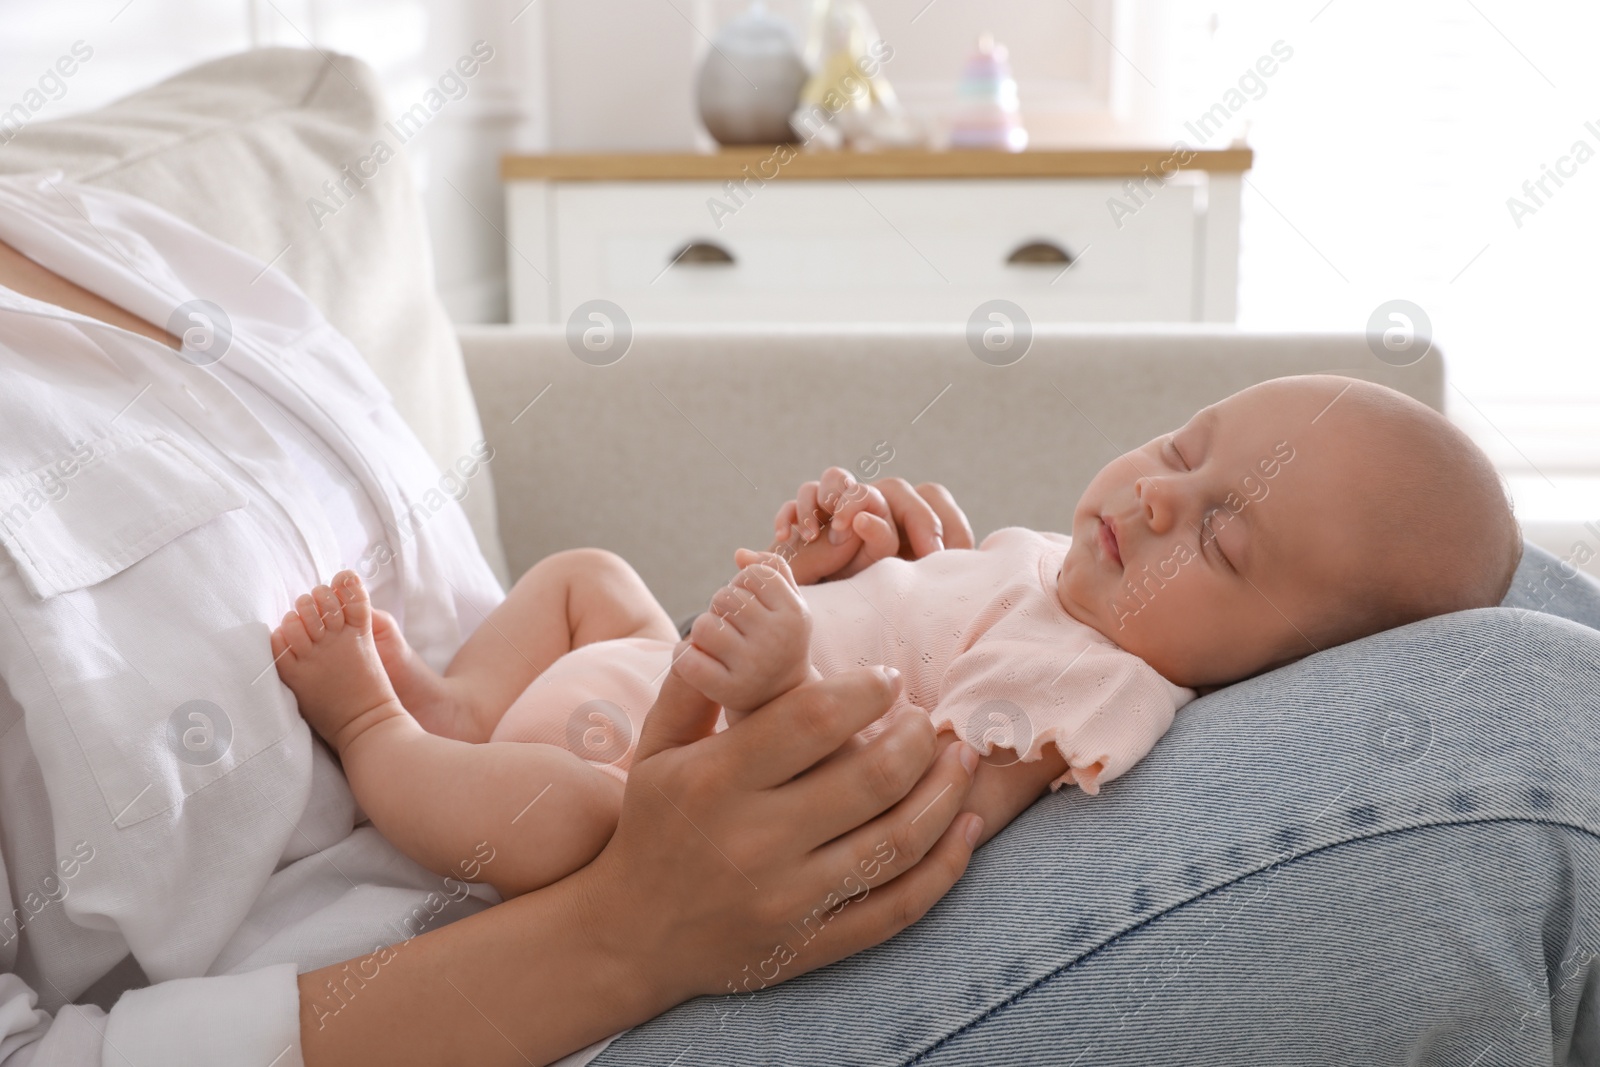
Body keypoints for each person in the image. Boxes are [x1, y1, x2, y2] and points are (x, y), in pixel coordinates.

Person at [0, 173, 981, 1067]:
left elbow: (524, 639)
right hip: (543, 972)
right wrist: (625, 933)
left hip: (595, 764)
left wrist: (867, 615)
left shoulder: (109, 228)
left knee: (1091, 662)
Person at [266, 375, 1521, 903]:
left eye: (1223, 540)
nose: (1154, 496)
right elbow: (908, 632)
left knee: (558, 819)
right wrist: (838, 569)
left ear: (1280, 670)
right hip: (648, 679)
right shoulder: (1050, 567)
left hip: (633, 784)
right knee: (589, 577)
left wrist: (780, 678)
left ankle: (376, 730)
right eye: (1183, 448)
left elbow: (882, 817)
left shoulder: (1090, 697)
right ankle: (460, 701)